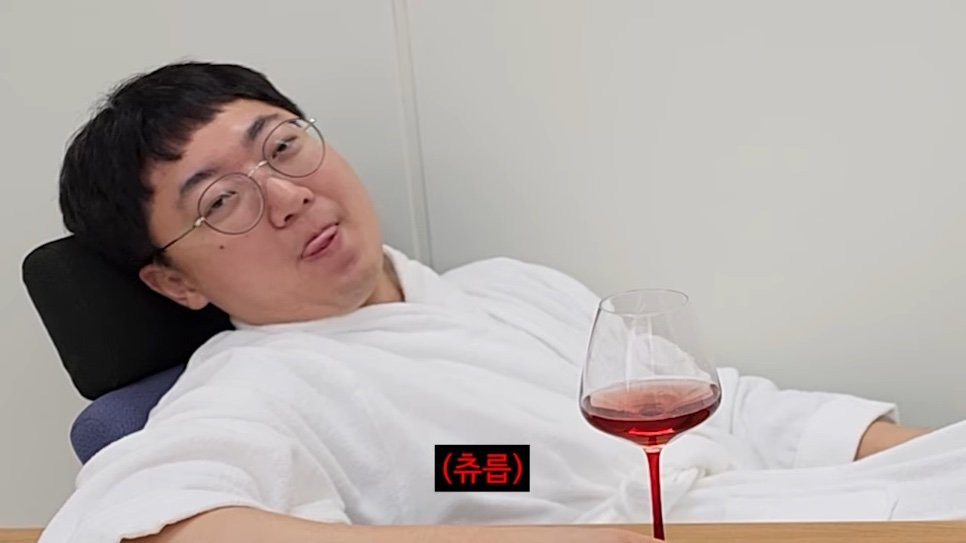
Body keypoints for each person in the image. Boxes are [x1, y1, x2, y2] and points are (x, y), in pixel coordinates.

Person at [40, 62, 962, 543]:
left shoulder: (504, 287)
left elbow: (732, 406)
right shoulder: (256, 386)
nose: (287, 195)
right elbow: (144, 516)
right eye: (222, 201)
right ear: (175, 280)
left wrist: (921, 454)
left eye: (281, 147)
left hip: (801, 504)